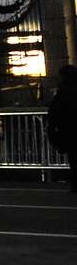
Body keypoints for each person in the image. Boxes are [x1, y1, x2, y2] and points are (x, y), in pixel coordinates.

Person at [47, 65, 77, 193]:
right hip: (70, 130)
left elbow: (54, 113)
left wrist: (53, 133)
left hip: (70, 132)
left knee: (74, 160)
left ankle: (75, 185)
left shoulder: (62, 93)